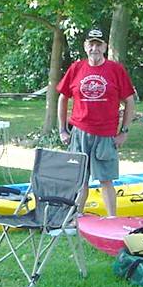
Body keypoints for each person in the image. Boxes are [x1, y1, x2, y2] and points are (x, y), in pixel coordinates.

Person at [57, 28, 136, 216]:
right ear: (85, 47)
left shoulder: (116, 70)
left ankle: (111, 219)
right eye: (91, 45)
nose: (95, 49)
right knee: (80, 179)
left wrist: (123, 131)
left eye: (98, 45)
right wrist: (62, 130)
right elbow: (63, 98)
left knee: (106, 180)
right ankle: (75, 217)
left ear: (104, 47)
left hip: (106, 134)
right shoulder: (76, 68)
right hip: (80, 132)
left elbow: (129, 101)